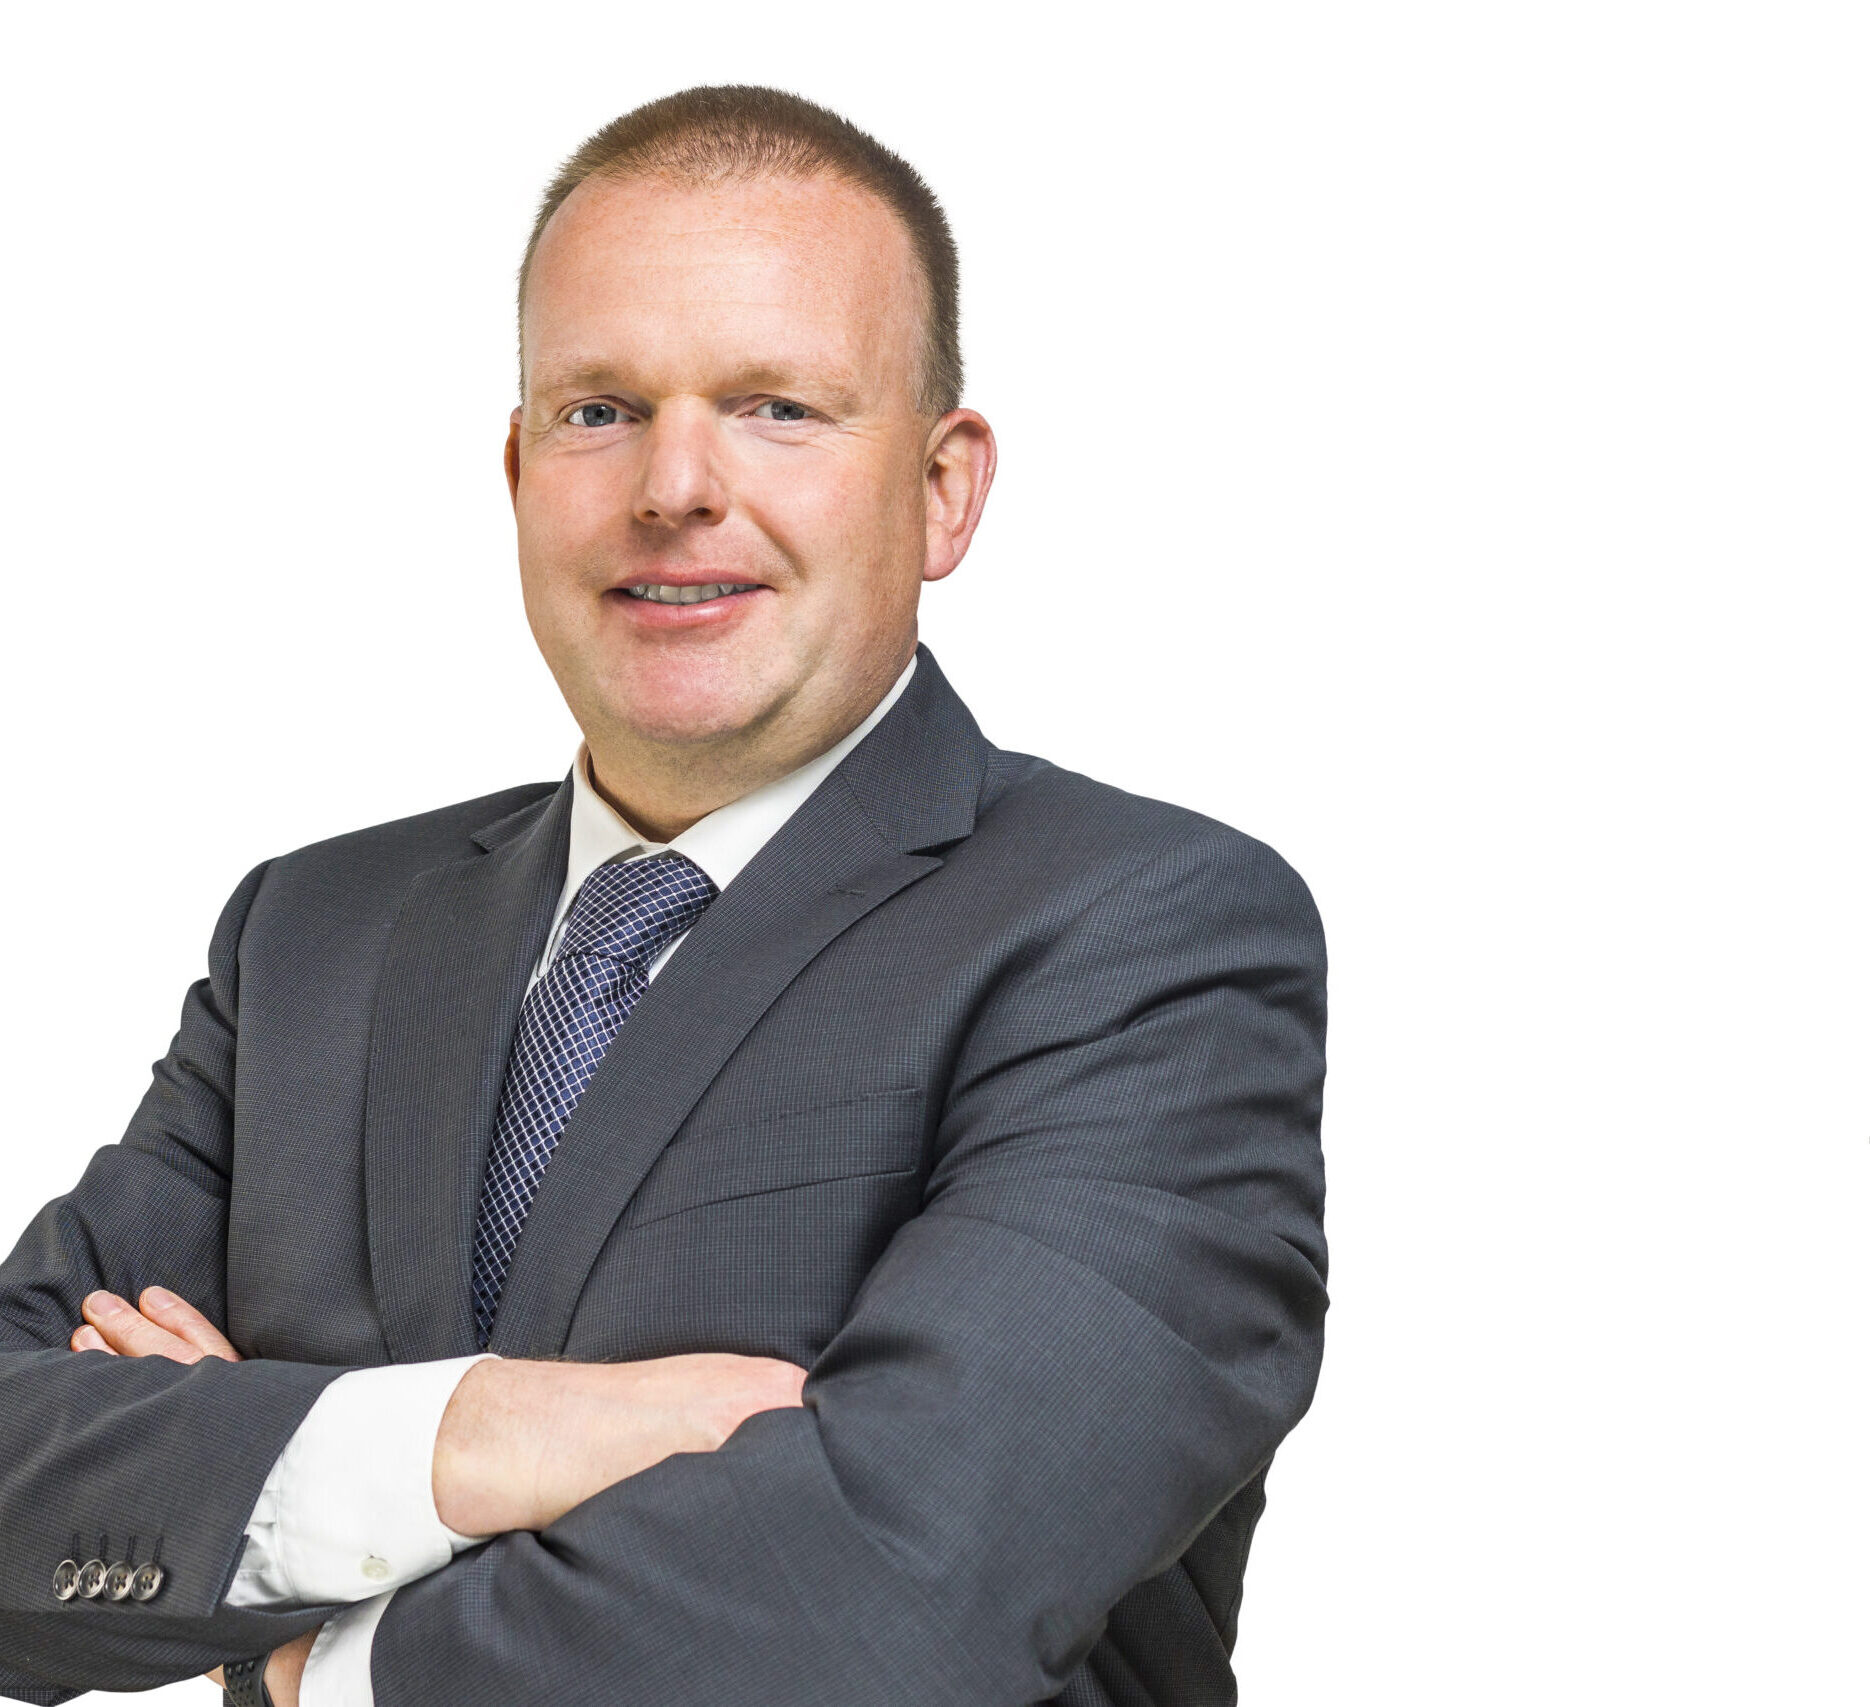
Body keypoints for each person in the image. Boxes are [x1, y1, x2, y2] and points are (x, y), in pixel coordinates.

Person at [0, 84, 1329, 1707]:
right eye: (598, 410)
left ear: (942, 487)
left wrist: (305, 1654)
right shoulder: (315, 938)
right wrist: (477, 1436)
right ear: (516, 470)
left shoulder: (1145, 935)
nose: (675, 485)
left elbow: (894, 1598)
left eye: (777, 407)